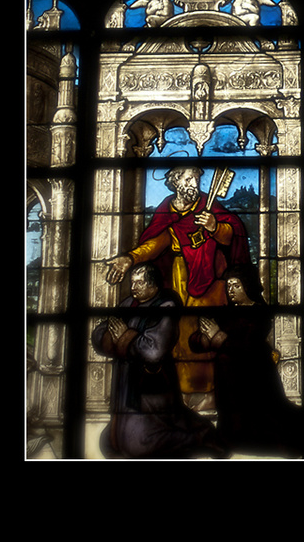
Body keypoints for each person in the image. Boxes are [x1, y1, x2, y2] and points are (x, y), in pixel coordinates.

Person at [105, 166, 250, 395]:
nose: (194, 184)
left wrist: (214, 226)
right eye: (189, 179)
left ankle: (214, 393)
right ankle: (183, 393)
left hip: (212, 279)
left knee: (208, 332)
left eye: (197, 179)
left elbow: (233, 232)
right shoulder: (166, 210)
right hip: (180, 277)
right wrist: (130, 259)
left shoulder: (207, 205)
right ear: (175, 182)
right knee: (181, 334)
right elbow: (156, 243)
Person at [91, 263, 227, 459]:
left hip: (151, 387)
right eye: (132, 283)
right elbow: (98, 334)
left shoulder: (165, 307)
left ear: (153, 285)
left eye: (139, 283)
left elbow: (153, 350)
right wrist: (120, 340)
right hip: (125, 386)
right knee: (111, 443)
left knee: (139, 446)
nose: (133, 287)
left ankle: (201, 438)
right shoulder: (127, 305)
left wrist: (124, 337)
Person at [189, 264, 304, 457]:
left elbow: (248, 345)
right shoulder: (224, 312)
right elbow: (195, 343)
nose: (231, 290)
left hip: (253, 374)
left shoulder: (260, 312)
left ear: (248, 286)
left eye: (236, 285)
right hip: (227, 380)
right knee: (231, 419)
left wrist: (217, 337)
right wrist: (203, 335)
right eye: (229, 286)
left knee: (261, 417)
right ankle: (232, 440)